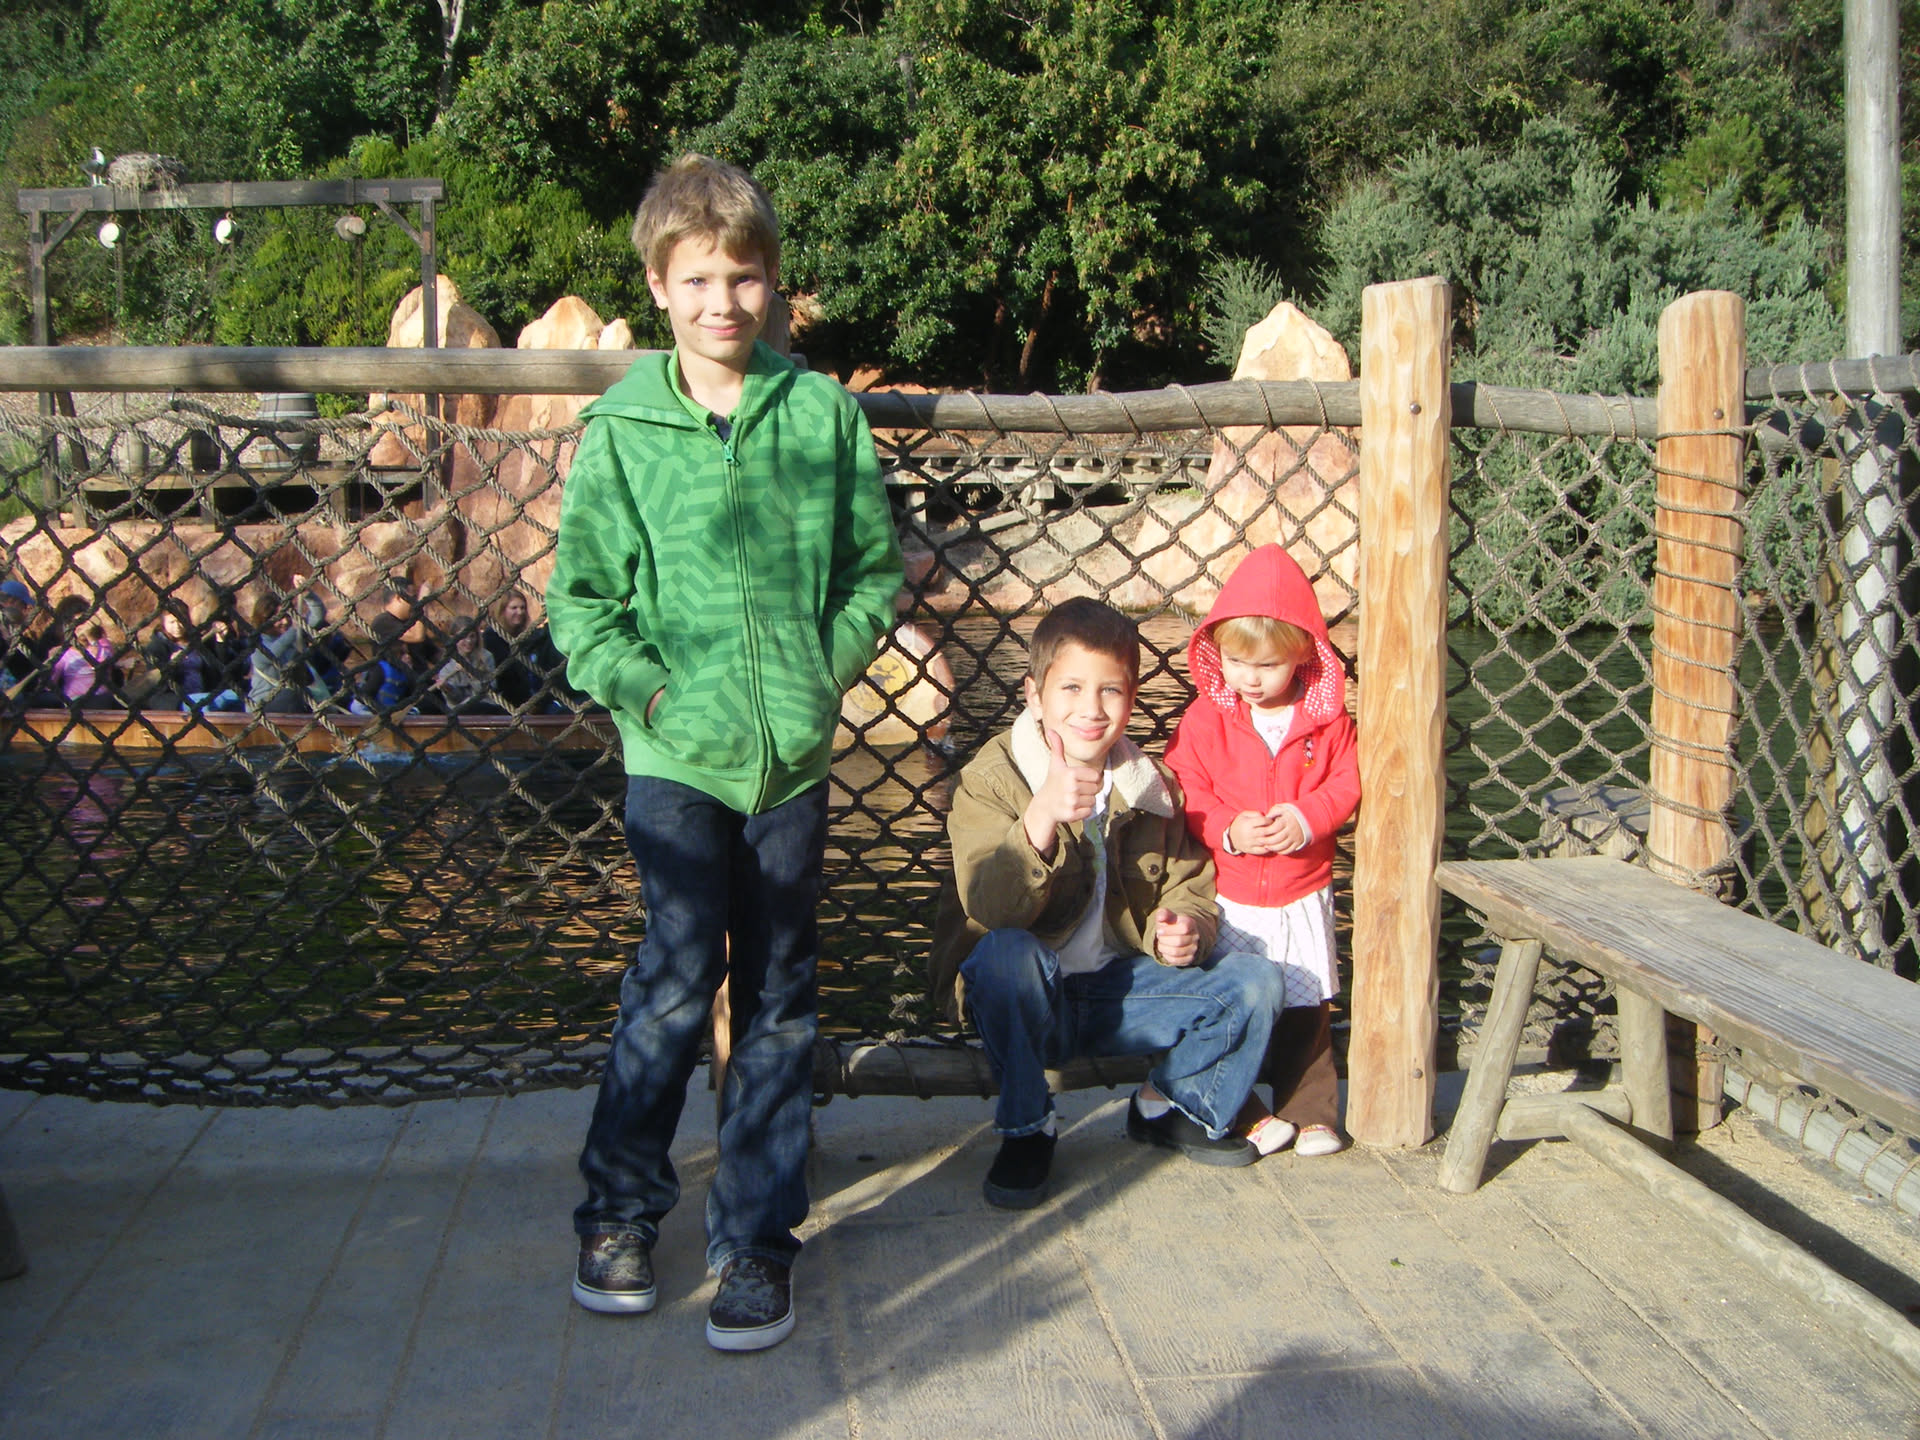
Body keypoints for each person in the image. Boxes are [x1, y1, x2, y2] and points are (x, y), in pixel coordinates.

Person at [546, 153, 902, 1353]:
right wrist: (653, 692)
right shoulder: (622, 431)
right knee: (675, 973)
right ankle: (618, 1212)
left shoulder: (823, 416)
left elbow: (871, 574)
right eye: (697, 279)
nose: (722, 302)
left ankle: (755, 1239)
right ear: (658, 284)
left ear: (772, 282)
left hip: (790, 760)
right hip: (672, 761)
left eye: (743, 277)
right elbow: (580, 606)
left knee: (781, 996)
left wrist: (819, 677)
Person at [928, 597, 1285, 1212]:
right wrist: (1041, 818)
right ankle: (1027, 1128)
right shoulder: (991, 779)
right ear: (1035, 695)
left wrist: (1186, 927)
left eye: (1110, 690)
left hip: (1116, 996)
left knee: (1256, 982)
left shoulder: (1151, 786)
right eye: (1071, 688)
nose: (1091, 709)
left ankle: (1170, 1106)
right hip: (1025, 997)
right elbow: (992, 909)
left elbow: (1189, 882)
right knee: (1006, 954)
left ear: (1132, 697)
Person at [1164, 544, 1362, 1159]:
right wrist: (1227, 828)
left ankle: (1311, 1110)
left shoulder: (1326, 720)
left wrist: (1307, 819)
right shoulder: (1207, 719)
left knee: (1307, 1006)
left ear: (1302, 653)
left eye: (1267, 665)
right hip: (1233, 892)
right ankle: (1240, 1103)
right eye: (1234, 662)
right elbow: (1185, 786)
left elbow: (1347, 782)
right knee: (1234, 1003)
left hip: (1301, 889)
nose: (1248, 678)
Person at [431, 616, 502, 714]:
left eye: (472, 636)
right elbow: (456, 699)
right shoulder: (447, 664)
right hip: (461, 711)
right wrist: (448, 689)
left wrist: (471, 673)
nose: (469, 641)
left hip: (486, 706)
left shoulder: (487, 657)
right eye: (463, 637)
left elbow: (491, 688)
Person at [0, 578, 47, 704]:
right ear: (11, 602)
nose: (25, 610)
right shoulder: (7, 636)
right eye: (23, 605)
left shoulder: (23, 641)